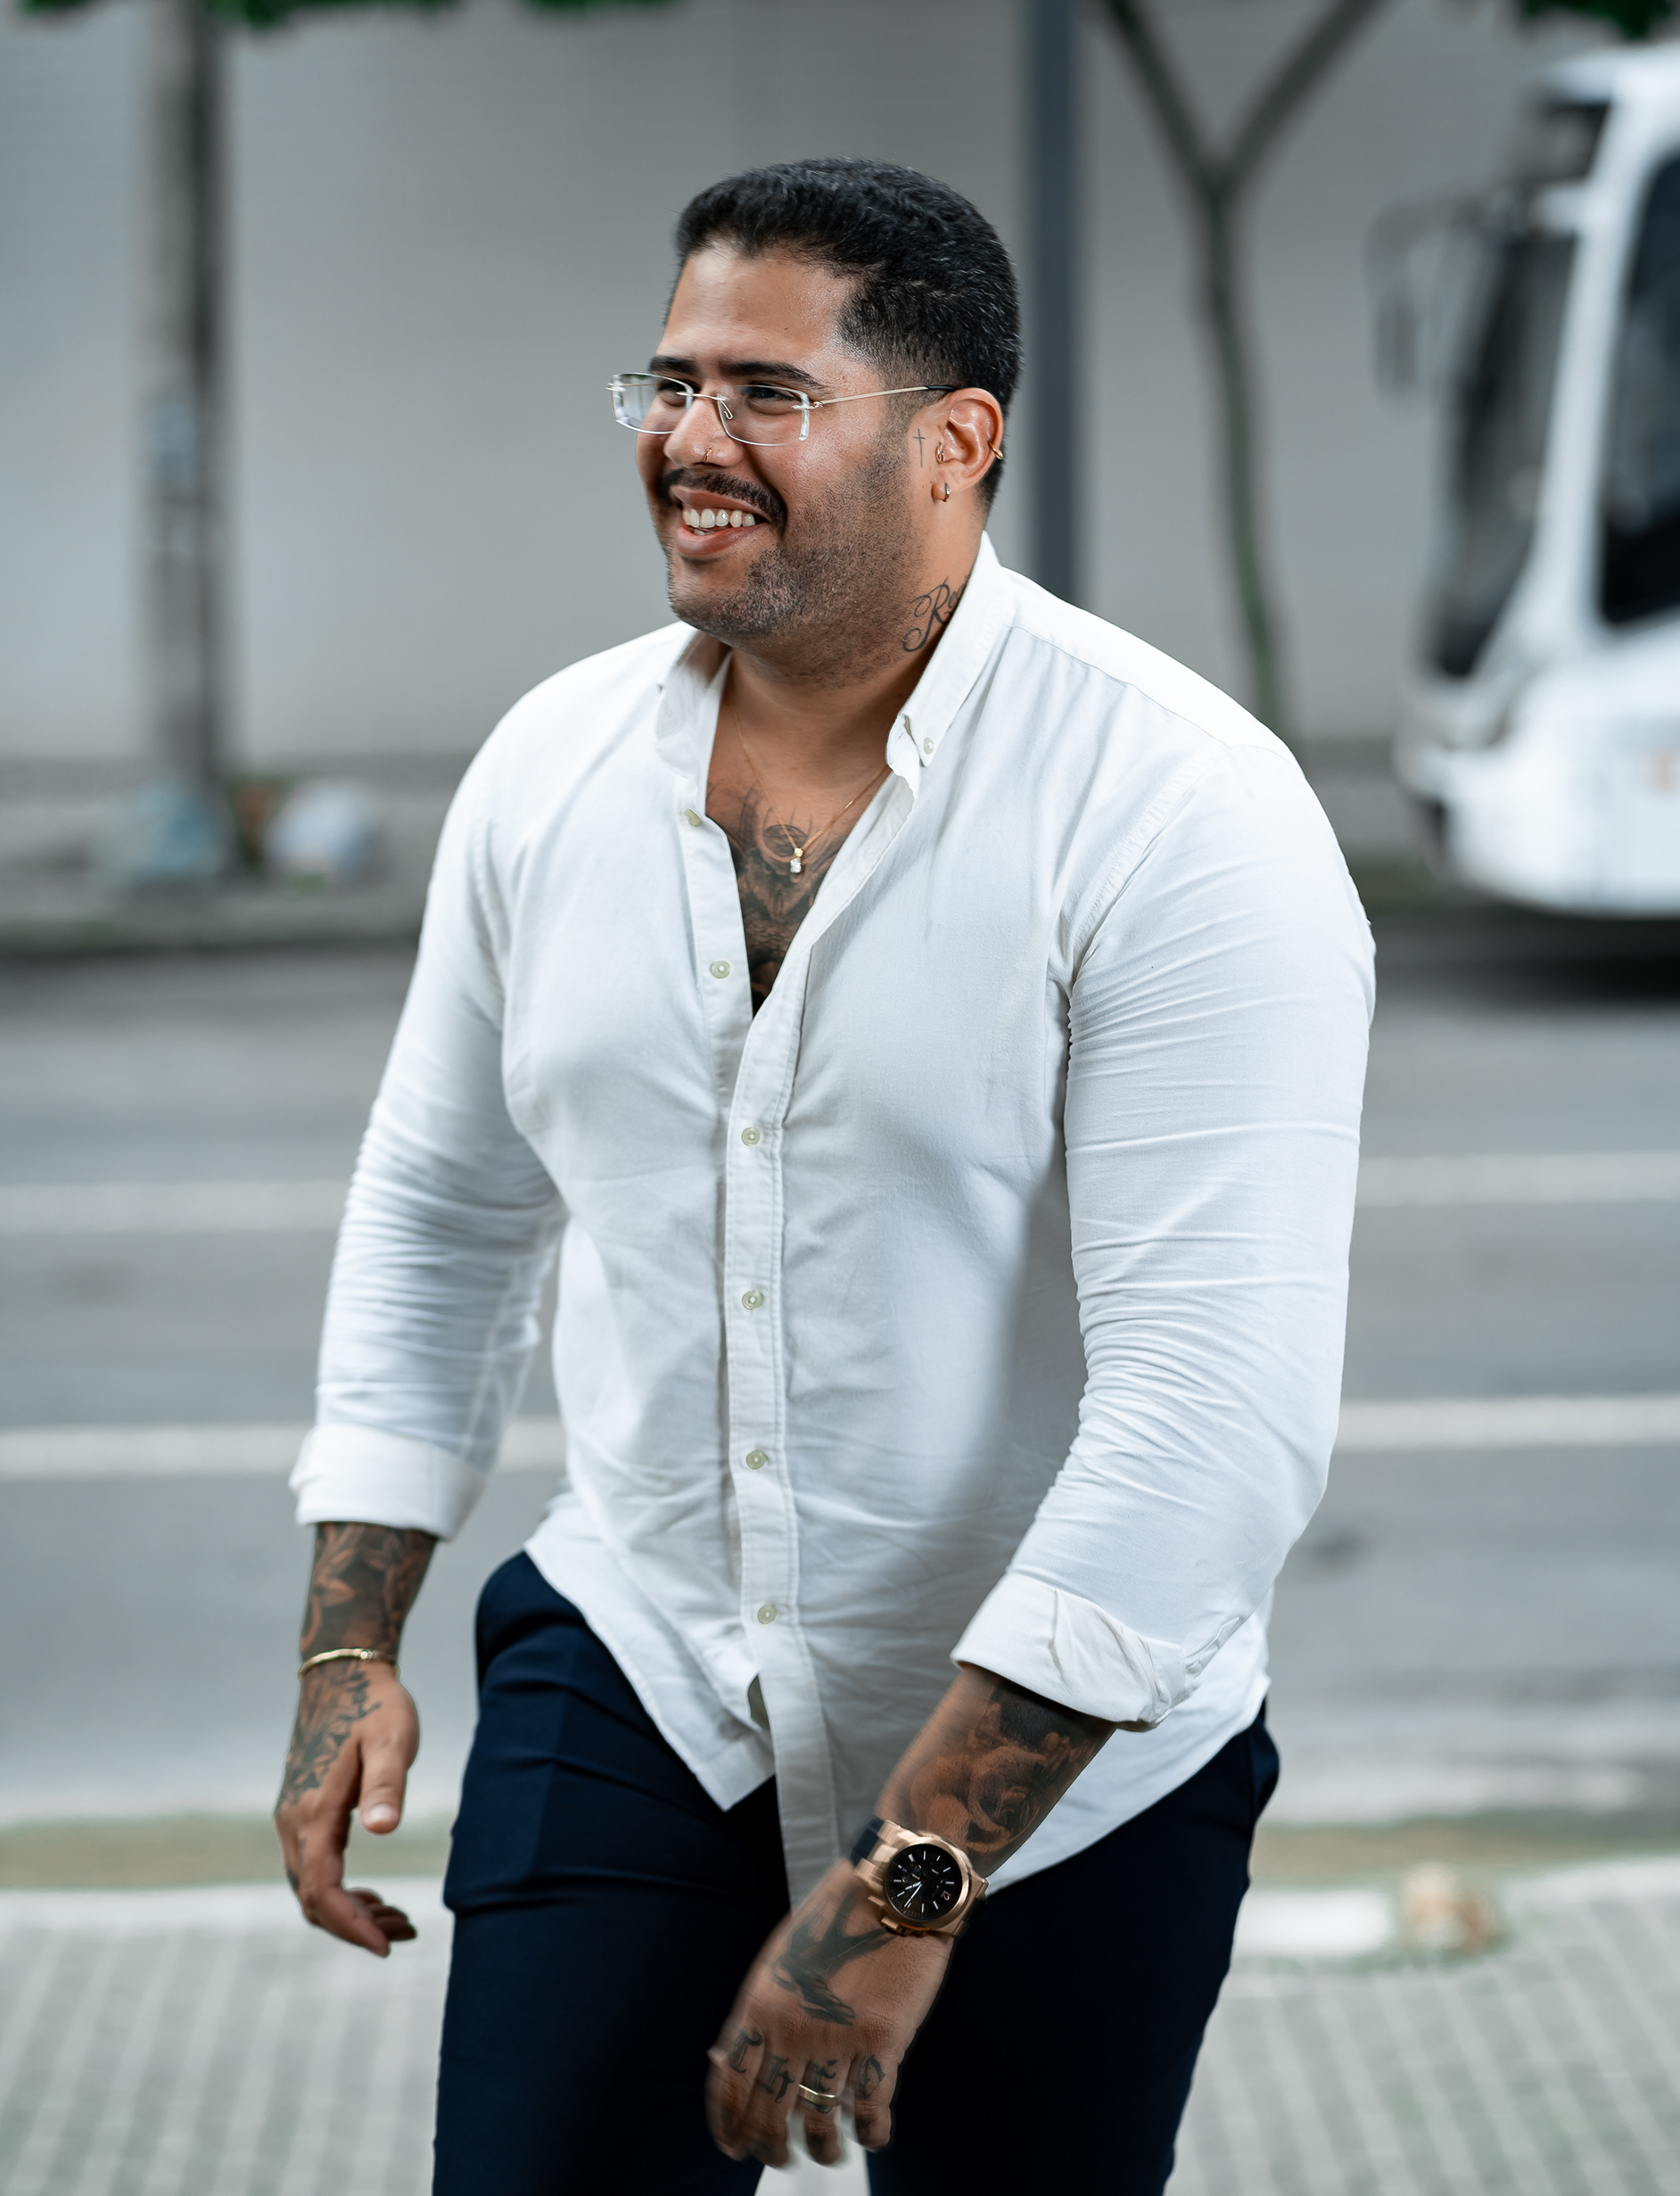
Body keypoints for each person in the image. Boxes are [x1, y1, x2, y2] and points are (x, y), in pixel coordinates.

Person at [276, 158, 1372, 2194]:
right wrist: (350, 1650)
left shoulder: (1183, 811)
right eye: (671, 381)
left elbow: (1211, 1417)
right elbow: (440, 1210)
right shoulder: (547, 772)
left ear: (956, 441)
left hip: (1068, 1775)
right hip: (647, 1673)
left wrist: (906, 1885)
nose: (690, 439)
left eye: (766, 392)